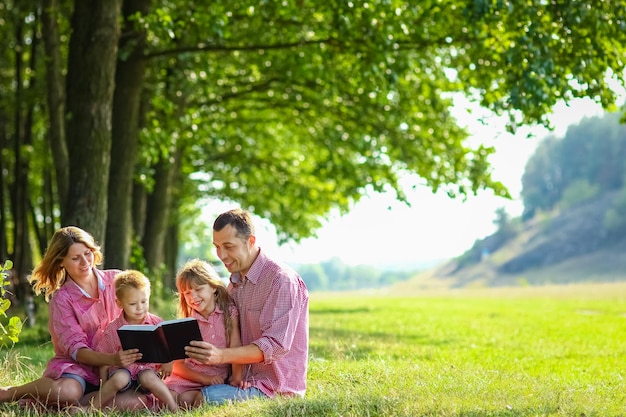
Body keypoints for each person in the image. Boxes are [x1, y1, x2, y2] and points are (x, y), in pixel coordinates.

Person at [0, 226, 149, 411]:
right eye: (75, 258)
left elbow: (142, 316)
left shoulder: (116, 280)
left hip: (116, 370)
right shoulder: (62, 299)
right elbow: (77, 351)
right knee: (68, 392)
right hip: (78, 368)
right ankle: (11, 392)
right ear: (61, 261)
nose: (85, 262)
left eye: (87, 253)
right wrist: (111, 359)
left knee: (138, 402)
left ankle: (63, 407)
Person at [184, 208, 309, 404]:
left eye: (228, 246)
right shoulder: (234, 283)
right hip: (240, 381)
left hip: (272, 388)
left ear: (250, 242)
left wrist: (220, 356)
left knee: (201, 399)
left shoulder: (281, 281)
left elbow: (274, 346)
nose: (221, 255)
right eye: (217, 246)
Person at [91, 270, 178, 412]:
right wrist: (103, 385)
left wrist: (168, 361)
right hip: (123, 371)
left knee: (148, 377)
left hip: (147, 371)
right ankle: (93, 407)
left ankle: (173, 407)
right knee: (120, 378)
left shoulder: (156, 324)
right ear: (119, 303)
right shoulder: (113, 329)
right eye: (132, 304)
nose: (140, 308)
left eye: (144, 301)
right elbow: (104, 359)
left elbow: (169, 347)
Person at [165, 258, 246, 408]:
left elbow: (235, 347)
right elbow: (178, 366)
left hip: (215, 380)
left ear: (213, 287)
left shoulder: (229, 313)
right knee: (169, 398)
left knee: (191, 400)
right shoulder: (187, 322)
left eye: (198, 289)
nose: (193, 297)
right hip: (188, 378)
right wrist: (204, 379)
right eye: (187, 293)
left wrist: (236, 378)